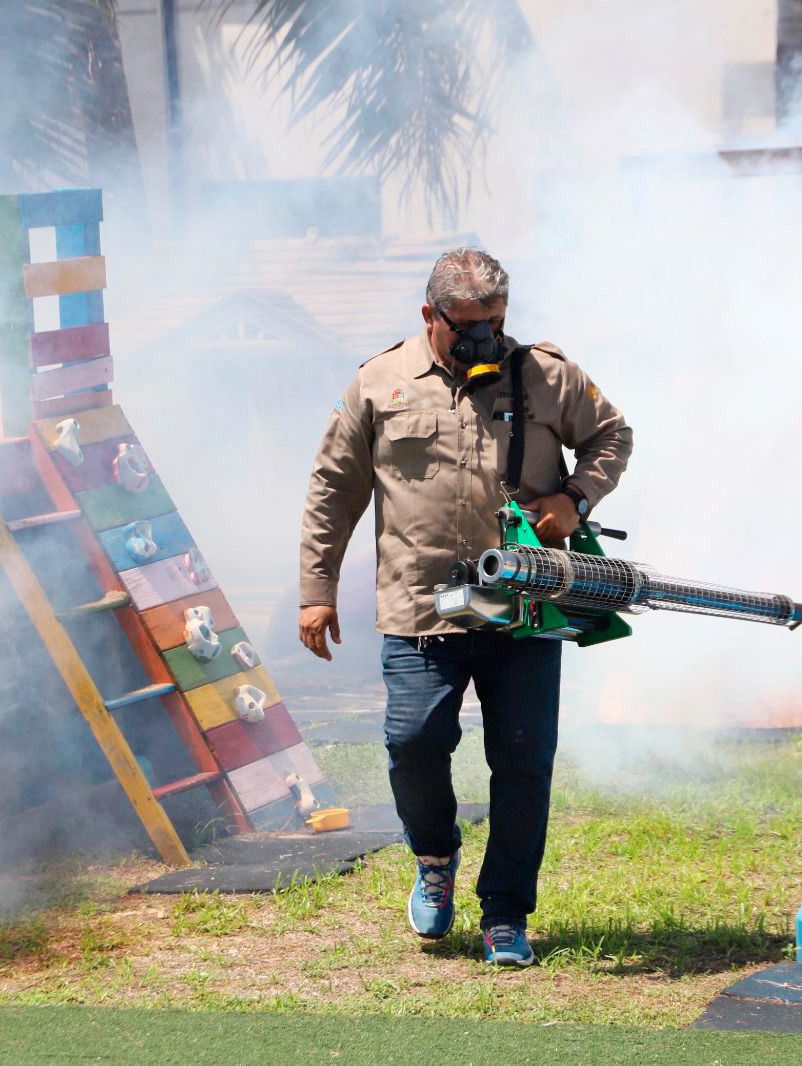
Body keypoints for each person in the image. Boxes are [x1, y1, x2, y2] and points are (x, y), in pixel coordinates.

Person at [297, 247, 632, 966]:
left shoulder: (546, 375)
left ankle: (506, 914)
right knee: (413, 742)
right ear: (429, 315)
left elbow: (612, 435)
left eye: (495, 323)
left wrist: (573, 501)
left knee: (521, 760)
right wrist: (316, 591)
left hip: (524, 605)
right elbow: (334, 489)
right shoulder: (379, 381)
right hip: (421, 607)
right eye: (466, 325)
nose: (483, 338)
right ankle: (434, 858)